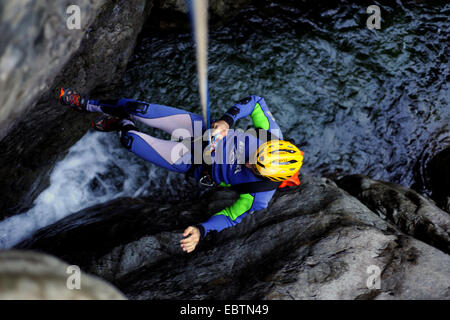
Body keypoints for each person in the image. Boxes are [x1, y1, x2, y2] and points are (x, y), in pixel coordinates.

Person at [58, 88, 304, 253]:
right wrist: (228, 120)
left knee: (130, 141)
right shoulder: (271, 134)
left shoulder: (259, 195)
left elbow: (231, 216)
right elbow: (256, 100)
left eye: (255, 167)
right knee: (138, 108)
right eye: (254, 156)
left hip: (193, 162)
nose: (249, 163)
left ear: (270, 177)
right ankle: (88, 104)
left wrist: (201, 229)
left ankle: (120, 123)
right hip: (199, 129)